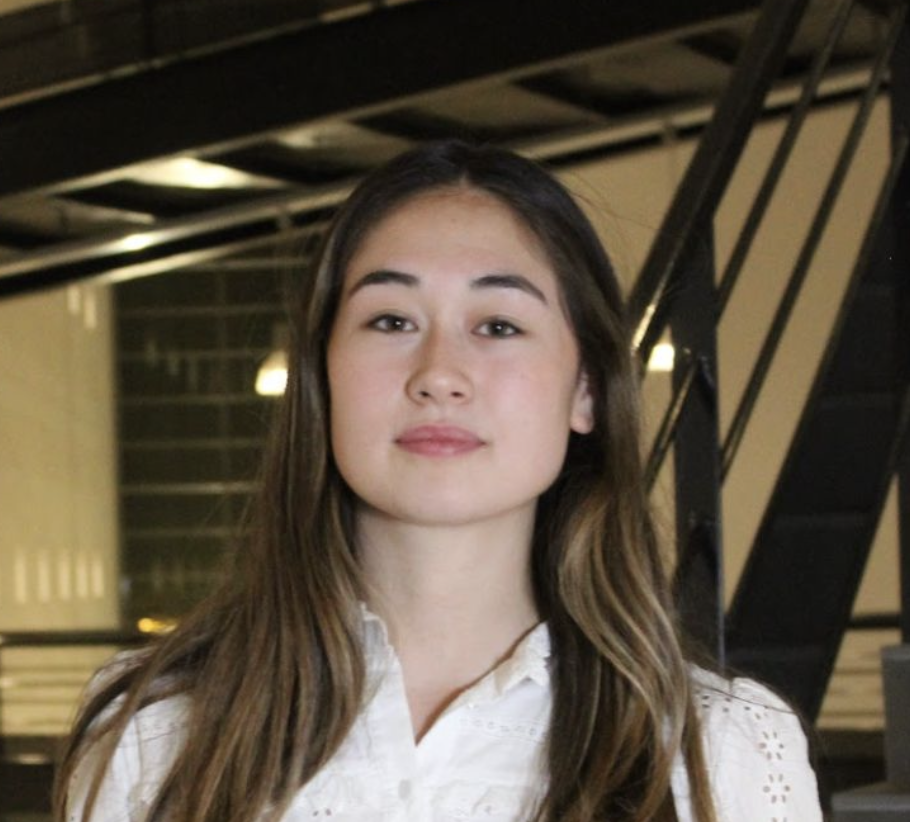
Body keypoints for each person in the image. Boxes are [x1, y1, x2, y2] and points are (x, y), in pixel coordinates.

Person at [58, 140, 822, 822]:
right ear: (323, 379)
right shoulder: (154, 728)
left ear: (585, 390)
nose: (439, 376)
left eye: (498, 326)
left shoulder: (724, 752)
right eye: (391, 321)